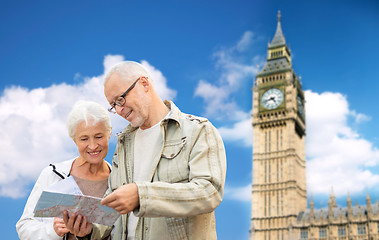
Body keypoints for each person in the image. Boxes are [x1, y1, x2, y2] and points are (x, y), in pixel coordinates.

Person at [65, 61, 227, 240]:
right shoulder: (123, 144)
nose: (119, 110)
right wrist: (88, 230)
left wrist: (142, 195)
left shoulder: (197, 131)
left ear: (144, 84)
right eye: (113, 105)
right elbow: (112, 210)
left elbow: (209, 192)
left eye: (121, 99)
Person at [16, 100, 113, 240]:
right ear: (74, 140)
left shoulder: (118, 179)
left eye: (99, 137)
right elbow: (24, 227)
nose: (92, 146)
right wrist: (53, 231)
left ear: (109, 133)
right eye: (84, 139)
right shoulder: (53, 174)